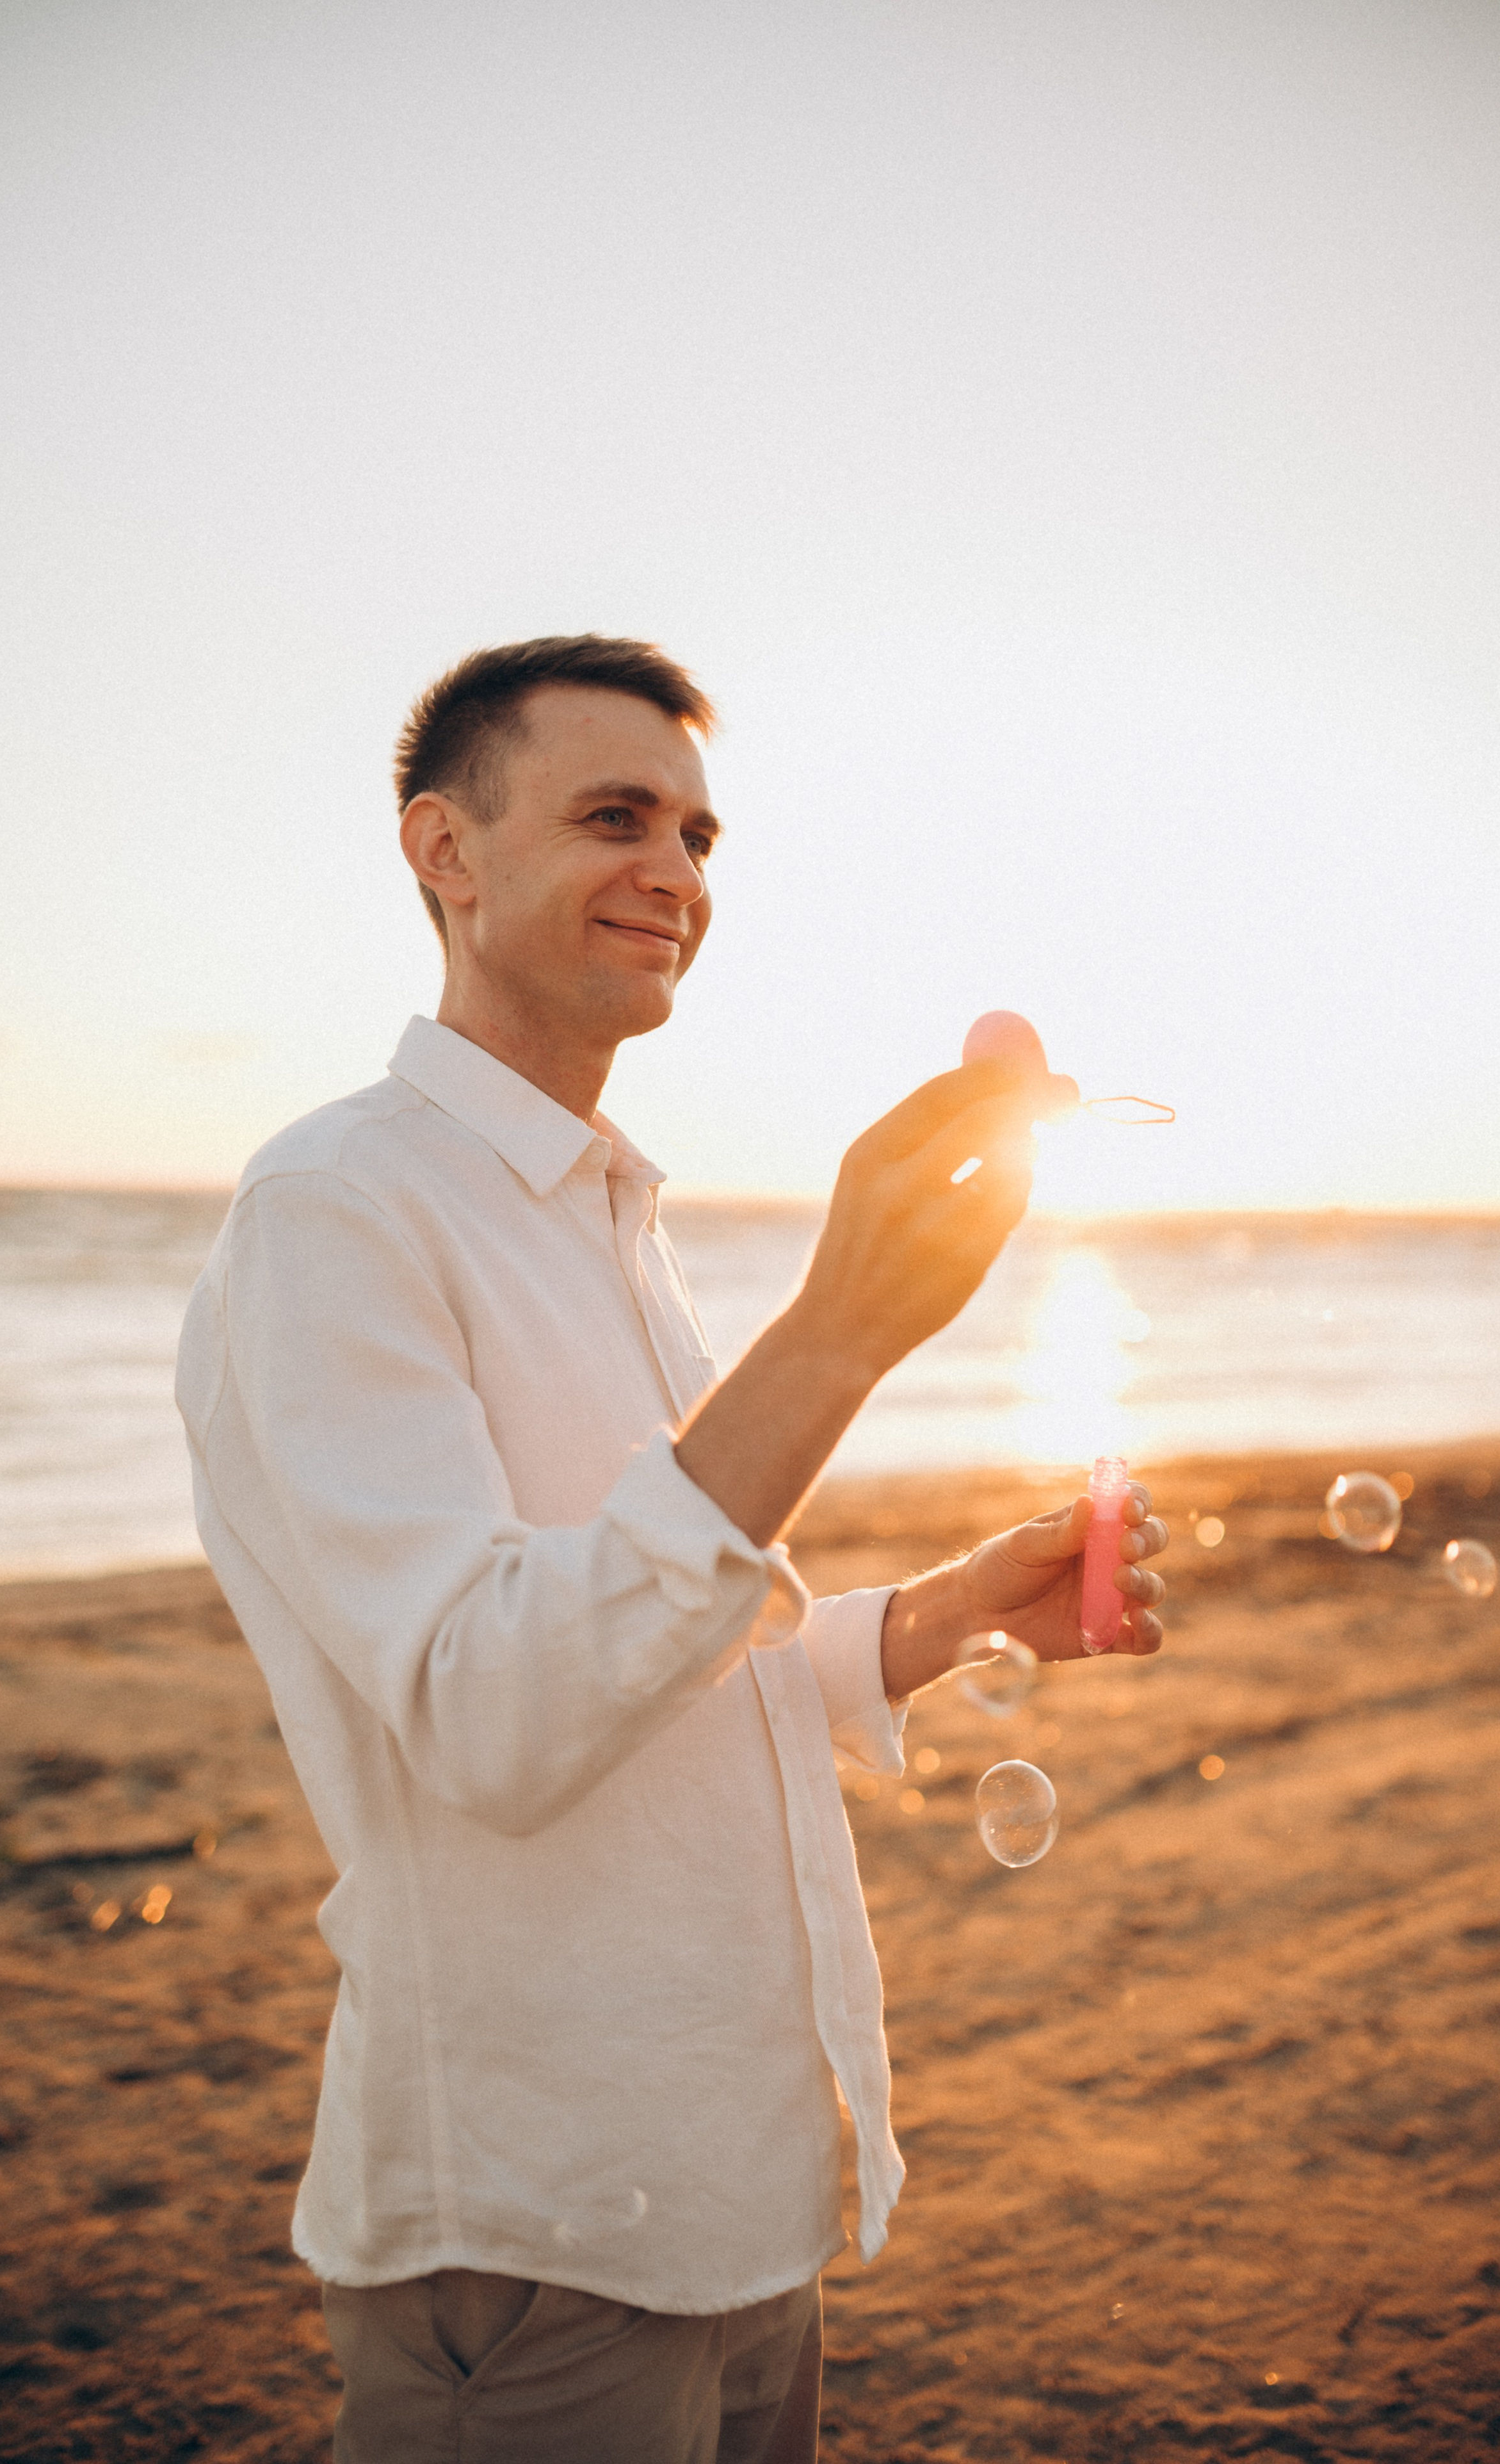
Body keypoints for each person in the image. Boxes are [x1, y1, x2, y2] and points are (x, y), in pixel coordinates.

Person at [175, 634, 1168, 2464]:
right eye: (617, 816)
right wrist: (840, 1333)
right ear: (444, 852)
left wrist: (935, 1618)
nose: (680, 875)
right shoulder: (337, 1211)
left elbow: (656, 1653)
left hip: (732, 2196)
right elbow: (491, 1710)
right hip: (539, 2227)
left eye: (703, 835)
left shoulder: (613, 1222)